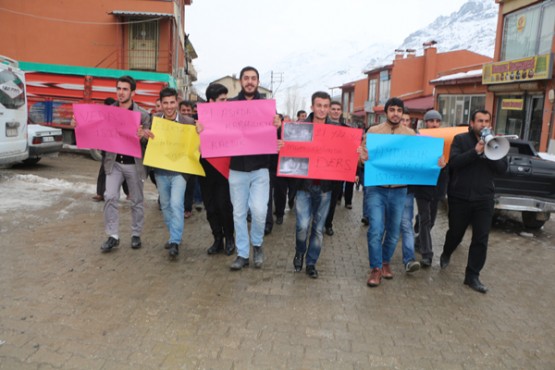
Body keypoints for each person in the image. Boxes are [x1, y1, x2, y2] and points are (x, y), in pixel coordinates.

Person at [439, 110, 508, 293]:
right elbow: (454, 163)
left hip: (484, 198)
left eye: (486, 121)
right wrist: (475, 152)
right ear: (472, 123)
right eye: (479, 121)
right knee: (456, 232)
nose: (483, 124)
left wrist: (490, 150)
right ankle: (447, 252)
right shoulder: (460, 140)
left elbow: (502, 169)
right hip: (460, 197)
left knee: (481, 238)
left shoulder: (496, 142)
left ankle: (472, 276)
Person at [227, 66, 281, 270]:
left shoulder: (267, 108)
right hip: (237, 169)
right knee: (238, 213)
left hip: (260, 169)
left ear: (258, 81)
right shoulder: (230, 106)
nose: (249, 81)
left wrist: (277, 126)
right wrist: (204, 128)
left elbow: (275, 138)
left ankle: (257, 244)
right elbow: (217, 130)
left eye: (253, 78)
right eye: (246, 78)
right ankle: (242, 254)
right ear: (240, 81)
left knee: (259, 211)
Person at [363, 97, 416, 287]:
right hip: (376, 188)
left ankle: (385, 261)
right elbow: (364, 157)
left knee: (393, 232)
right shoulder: (374, 132)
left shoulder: (410, 135)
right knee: (376, 229)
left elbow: (418, 160)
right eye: (392, 109)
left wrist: (437, 162)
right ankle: (376, 268)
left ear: (402, 113)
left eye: (399, 110)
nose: (395, 113)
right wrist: (363, 157)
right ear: (386, 112)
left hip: (399, 191)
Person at [100, 76, 151, 253]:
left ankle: (136, 234)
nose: (121, 93)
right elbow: (97, 131)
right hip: (113, 163)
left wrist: (143, 136)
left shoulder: (143, 115)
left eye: (125, 89)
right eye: (118, 89)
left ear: (133, 92)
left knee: (136, 200)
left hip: (134, 164)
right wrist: (77, 125)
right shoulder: (108, 112)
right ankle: (112, 236)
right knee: (110, 196)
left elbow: (149, 143)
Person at [143, 88, 195, 259]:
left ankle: (174, 241)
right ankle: (174, 234)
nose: (169, 106)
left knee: (176, 204)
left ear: (177, 102)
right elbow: (144, 140)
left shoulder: (189, 122)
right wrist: (144, 135)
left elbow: (197, 143)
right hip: (160, 171)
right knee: (165, 205)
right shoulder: (155, 120)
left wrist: (200, 131)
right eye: (165, 103)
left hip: (180, 172)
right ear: (161, 104)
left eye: (172, 102)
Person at [292, 91, 336, 278]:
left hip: (325, 188)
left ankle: (311, 263)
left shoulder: (338, 130)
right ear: (312, 107)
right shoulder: (299, 128)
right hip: (303, 186)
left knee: (318, 229)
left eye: (326, 106)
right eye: (319, 105)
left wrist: (355, 152)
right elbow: (289, 151)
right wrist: (282, 146)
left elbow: (344, 155)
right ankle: (300, 251)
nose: (323, 109)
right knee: (302, 226)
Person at [199, 83, 235, 256]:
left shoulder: (231, 119)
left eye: (227, 99)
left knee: (224, 206)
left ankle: (230, 238)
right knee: (210, 207)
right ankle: (217, 239)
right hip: (205, 170)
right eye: (222, 100)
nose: (226, 103)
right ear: (211, 101)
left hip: (224, 170)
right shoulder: (198, 120)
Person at [413, 109, 448, 268]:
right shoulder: (417, 139)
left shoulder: (447, 140)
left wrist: (445, 165)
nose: (434, 124)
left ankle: (418, 239)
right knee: (426, 220)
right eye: (431, 121)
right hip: (422, 186)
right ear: (425, 123)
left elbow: (451, 165)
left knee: (431, 221)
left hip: (437, 187)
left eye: (437, 121)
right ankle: (427, 254)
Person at [93, 97, 129, 202]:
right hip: (107, 150)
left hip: (119, 150)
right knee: (103, 171)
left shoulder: (121, 117)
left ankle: (129, 193)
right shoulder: (103, 118)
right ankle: (100, 193)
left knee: (123, 173)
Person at [399, 109, 421, 273]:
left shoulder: (417, 140)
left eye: (407, 120)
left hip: (407, 190)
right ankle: (381, 260)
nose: (404, 123)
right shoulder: (386, 138)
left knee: (406, 224)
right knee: (388, 226)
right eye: (402, 120)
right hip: (386, 189)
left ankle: (409, 259)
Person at [324, 101, 349, 236]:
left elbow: (351, 152)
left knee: (333, 200)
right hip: (322, 169)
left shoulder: (347, 130)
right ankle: (317, 221)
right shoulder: (321, 127)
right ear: (329, 110)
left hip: (338, 171)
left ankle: (328, 224)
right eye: (333, 109)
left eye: (338, 109)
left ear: (341, 112)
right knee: (320, 199)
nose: (335, 111)